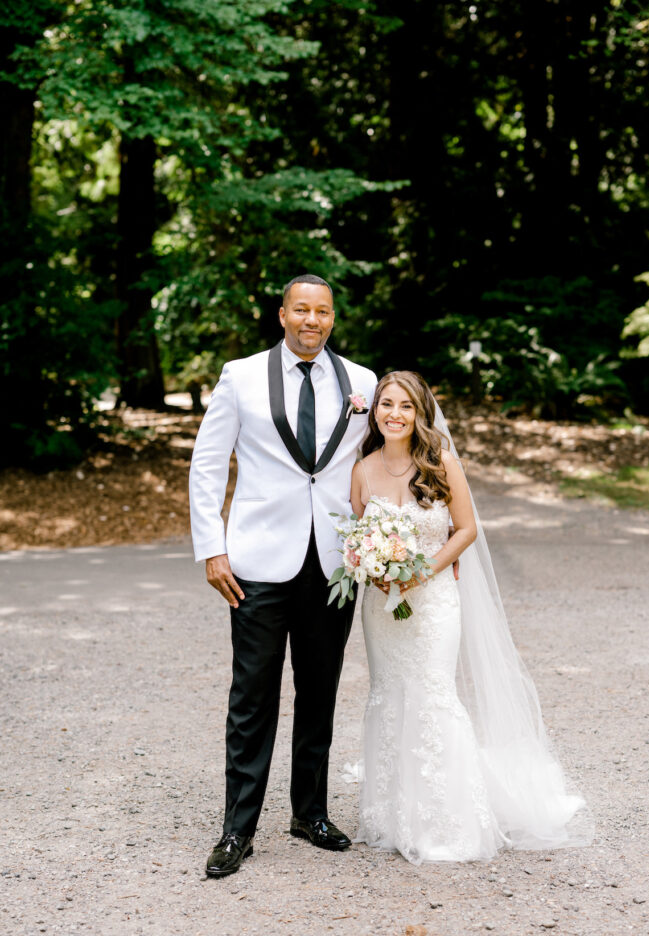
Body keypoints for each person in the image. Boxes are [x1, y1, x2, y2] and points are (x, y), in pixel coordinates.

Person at [349, 371, 590, 864]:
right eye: (385, 404)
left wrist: (422, 572)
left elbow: (466, 529)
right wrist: (369, 566)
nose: (394, 414)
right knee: (389, 695)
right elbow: (357, 535)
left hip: (434, 598)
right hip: (381, 606)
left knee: (433, 694)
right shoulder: (363, 469)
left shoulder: (439, 461)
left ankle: (448, 818)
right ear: (374, 411)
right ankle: (396, 814)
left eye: (406, 406)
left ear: (420, 414)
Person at [189, 274, 377, 878]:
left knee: (319, 692)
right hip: (257, 564)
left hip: (333, 563)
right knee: (252, 698)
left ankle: (310, 813)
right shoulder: (239, 376)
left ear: (333, 319)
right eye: (302, 310)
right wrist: (211, 548)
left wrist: (395, 535)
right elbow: (209, 463)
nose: (312, 321)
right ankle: (237, 829)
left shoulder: (364, 384)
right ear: (282, 314)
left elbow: (382, 461)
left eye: (322, 312)